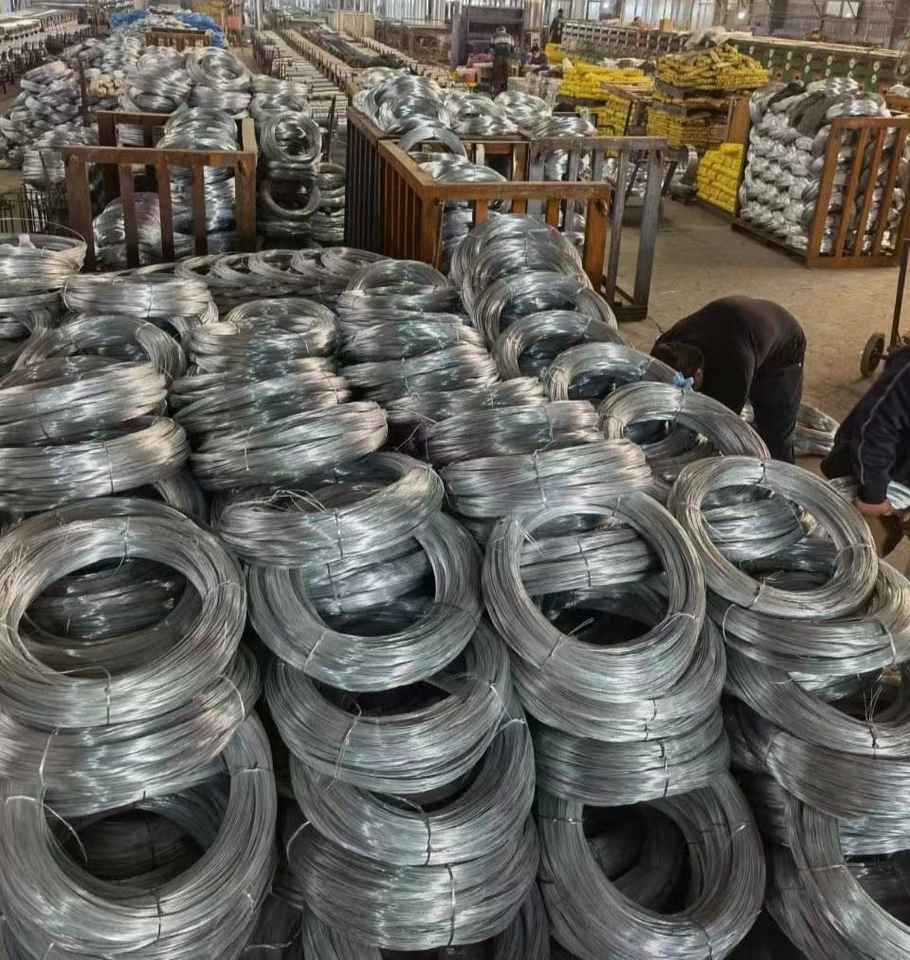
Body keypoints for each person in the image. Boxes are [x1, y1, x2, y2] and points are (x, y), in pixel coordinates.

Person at [651, 296, 806, 462]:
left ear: (698, 374)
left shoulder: (732, 372)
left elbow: (722, 429)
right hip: (740, 326)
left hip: (784, 347)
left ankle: (780, 471)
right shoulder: (665, 347)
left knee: (774, 431)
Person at [821, 346, 910, 519]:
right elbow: (874, 430)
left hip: (900, 482)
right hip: (866, 473)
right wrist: (874, 496)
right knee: (837, 521)